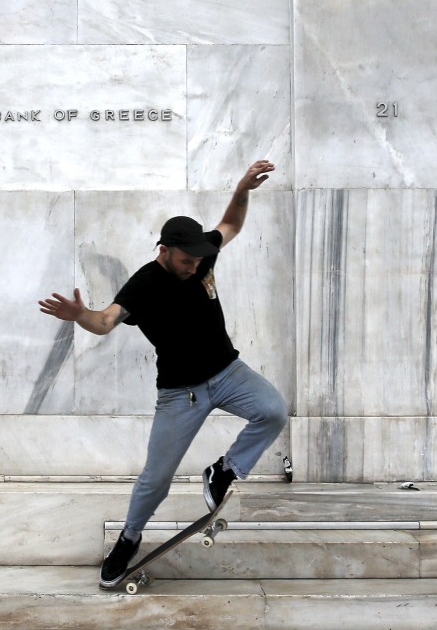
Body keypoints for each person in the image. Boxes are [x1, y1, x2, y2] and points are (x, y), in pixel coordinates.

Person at [38, 159, 288, 590]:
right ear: (164, 250)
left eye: (199, 261)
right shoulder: (144, 284)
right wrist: (80, 315)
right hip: (180, 393)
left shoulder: (203, 253)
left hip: (229, 372)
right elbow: (105, 322)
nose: (195, 267)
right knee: (156, 479)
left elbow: (231, 223)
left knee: (273, 410)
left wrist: (243, 186)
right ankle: (128, 539)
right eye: (186, 261)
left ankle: (224, 470)